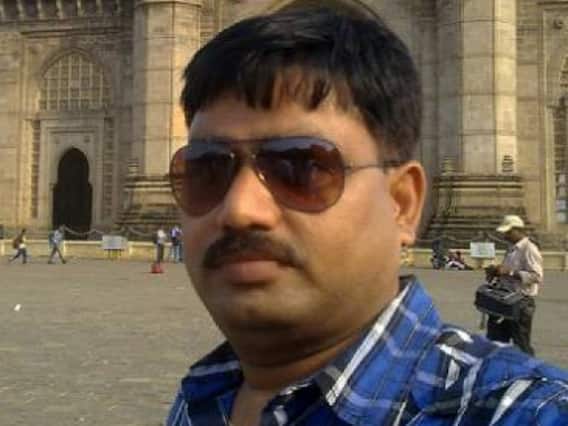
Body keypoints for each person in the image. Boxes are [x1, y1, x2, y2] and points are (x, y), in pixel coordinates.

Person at [166, 9, 568, 426]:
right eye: (207, 169)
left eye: (302, 166)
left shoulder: (523, 412)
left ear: (401, 203)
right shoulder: (202, 401)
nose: (239, 208)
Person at [485, 215, 542, 356]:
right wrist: (496, 272)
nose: (505, 235)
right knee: (495, 340)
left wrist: (510, 272)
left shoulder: (529, 249)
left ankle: (528, 367)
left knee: (521, 345)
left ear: (518, 230)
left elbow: (536, 276)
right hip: (505, 299)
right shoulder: (511, 248)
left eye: (508, 232)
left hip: (521, 302)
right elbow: (507, 271)